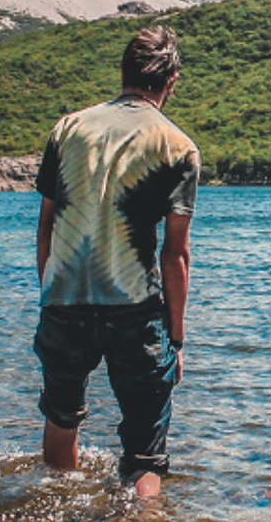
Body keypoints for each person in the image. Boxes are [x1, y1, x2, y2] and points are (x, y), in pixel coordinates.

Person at [32, 26, 198, 497]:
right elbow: (175, 253)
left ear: (123, 72)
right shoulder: (177, 146)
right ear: (172, 81)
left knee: (62, 421)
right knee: (145, 453)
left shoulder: (67, 129)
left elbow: (46, 225)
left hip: (63, 300)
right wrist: (178, 338)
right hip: (135, 309)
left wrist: (49, 294)